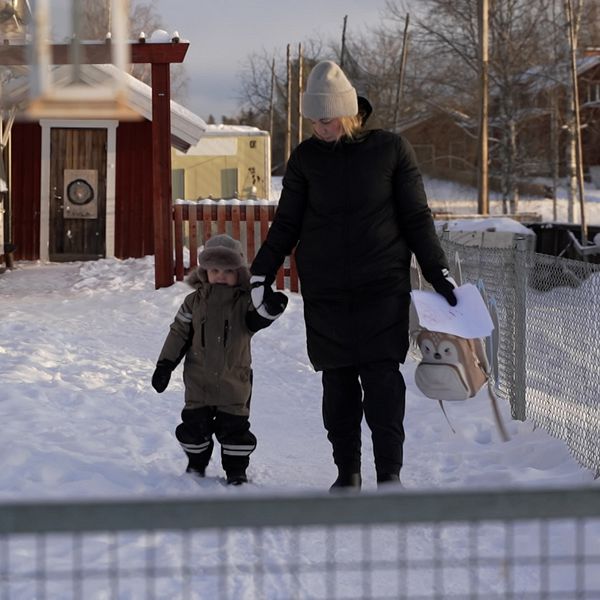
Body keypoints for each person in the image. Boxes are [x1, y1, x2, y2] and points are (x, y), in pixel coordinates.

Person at [249, 60, 457, 491]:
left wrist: (439, 274)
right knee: (338, 385)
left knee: (383, 383)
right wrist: (260, 273)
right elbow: (286, 223)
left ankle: (390, 476)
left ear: (347, 112)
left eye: (326, 121)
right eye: (314, 123)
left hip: (382, 286)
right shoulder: (306, 159)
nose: (319, 129)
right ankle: (347, 473)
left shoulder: (391, 150)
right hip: (326, 292)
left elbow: (417, 217)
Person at [152, 234, 287, 485]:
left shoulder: (244, 302)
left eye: (227, 270)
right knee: (194, 428)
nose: (220, 276)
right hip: (198, 381)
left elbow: (256, 320)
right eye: (214, 270)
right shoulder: (193, 302)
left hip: (233, 381)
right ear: (205, 272)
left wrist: (269, 309)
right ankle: (196, 464)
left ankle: (236, 470)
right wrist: (165, 365)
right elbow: (178, 334)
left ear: (239, 273)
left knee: (234, 430)